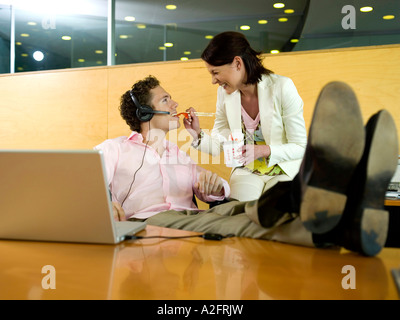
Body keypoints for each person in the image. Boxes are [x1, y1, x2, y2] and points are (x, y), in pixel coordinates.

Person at [95, 75, 399, 257]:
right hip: (151, 224)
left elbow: (215, 192)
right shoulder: (116, 149)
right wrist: (106, 203)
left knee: (239, 208)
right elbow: (81, 180)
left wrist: (215, 188)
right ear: (144, 112)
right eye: (165, 100)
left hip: (195, 216)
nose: (175, 105)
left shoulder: (181, 154)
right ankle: (320, 194)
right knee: (233, 223)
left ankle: (345, 221)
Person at [183, 31, 307, 205]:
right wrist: (197, 134)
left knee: (273, 211)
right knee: (239, 212)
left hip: (283, 170)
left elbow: (300, 146)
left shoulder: (282, 87)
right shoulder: (224, 94)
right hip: (246, 171)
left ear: (237, 63)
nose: (213, 81)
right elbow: (219, 144)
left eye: (216, 72)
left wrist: (265, 150)